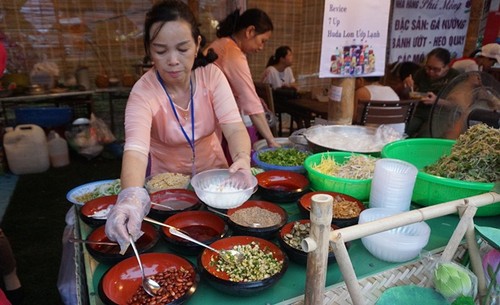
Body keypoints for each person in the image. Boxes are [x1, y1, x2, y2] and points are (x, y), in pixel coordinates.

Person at [105, 0, 253, 253]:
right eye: (161, 51)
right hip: (168, 187)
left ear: (197, 45)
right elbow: (136, 151)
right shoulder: (143, 92)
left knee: (221, 238)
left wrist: (242, 158)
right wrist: (130, 197)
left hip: (214, 183)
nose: (173, 61)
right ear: (149, 51)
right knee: (176, 244)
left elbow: (234, 127)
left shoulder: (212, 77)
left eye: (182, 49)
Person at [206, 8, 280, 148]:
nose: (261, 47)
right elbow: (251, 104)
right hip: (209, 121)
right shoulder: (232, 53)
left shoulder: (222, 43)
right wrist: (271, 141)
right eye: (262, 41)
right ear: (250, 31)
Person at [403, 47, 460, 137]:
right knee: (402, 131)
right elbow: (408, 93)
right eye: (428, 67)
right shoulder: (422, 73)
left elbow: (458, 105)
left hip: (441, 115)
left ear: (446, 67)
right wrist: (408, 86)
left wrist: (437, 101)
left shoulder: (455, 77)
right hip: (420, 112)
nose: (430, 72)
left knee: (424, 137)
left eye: (436, 69)